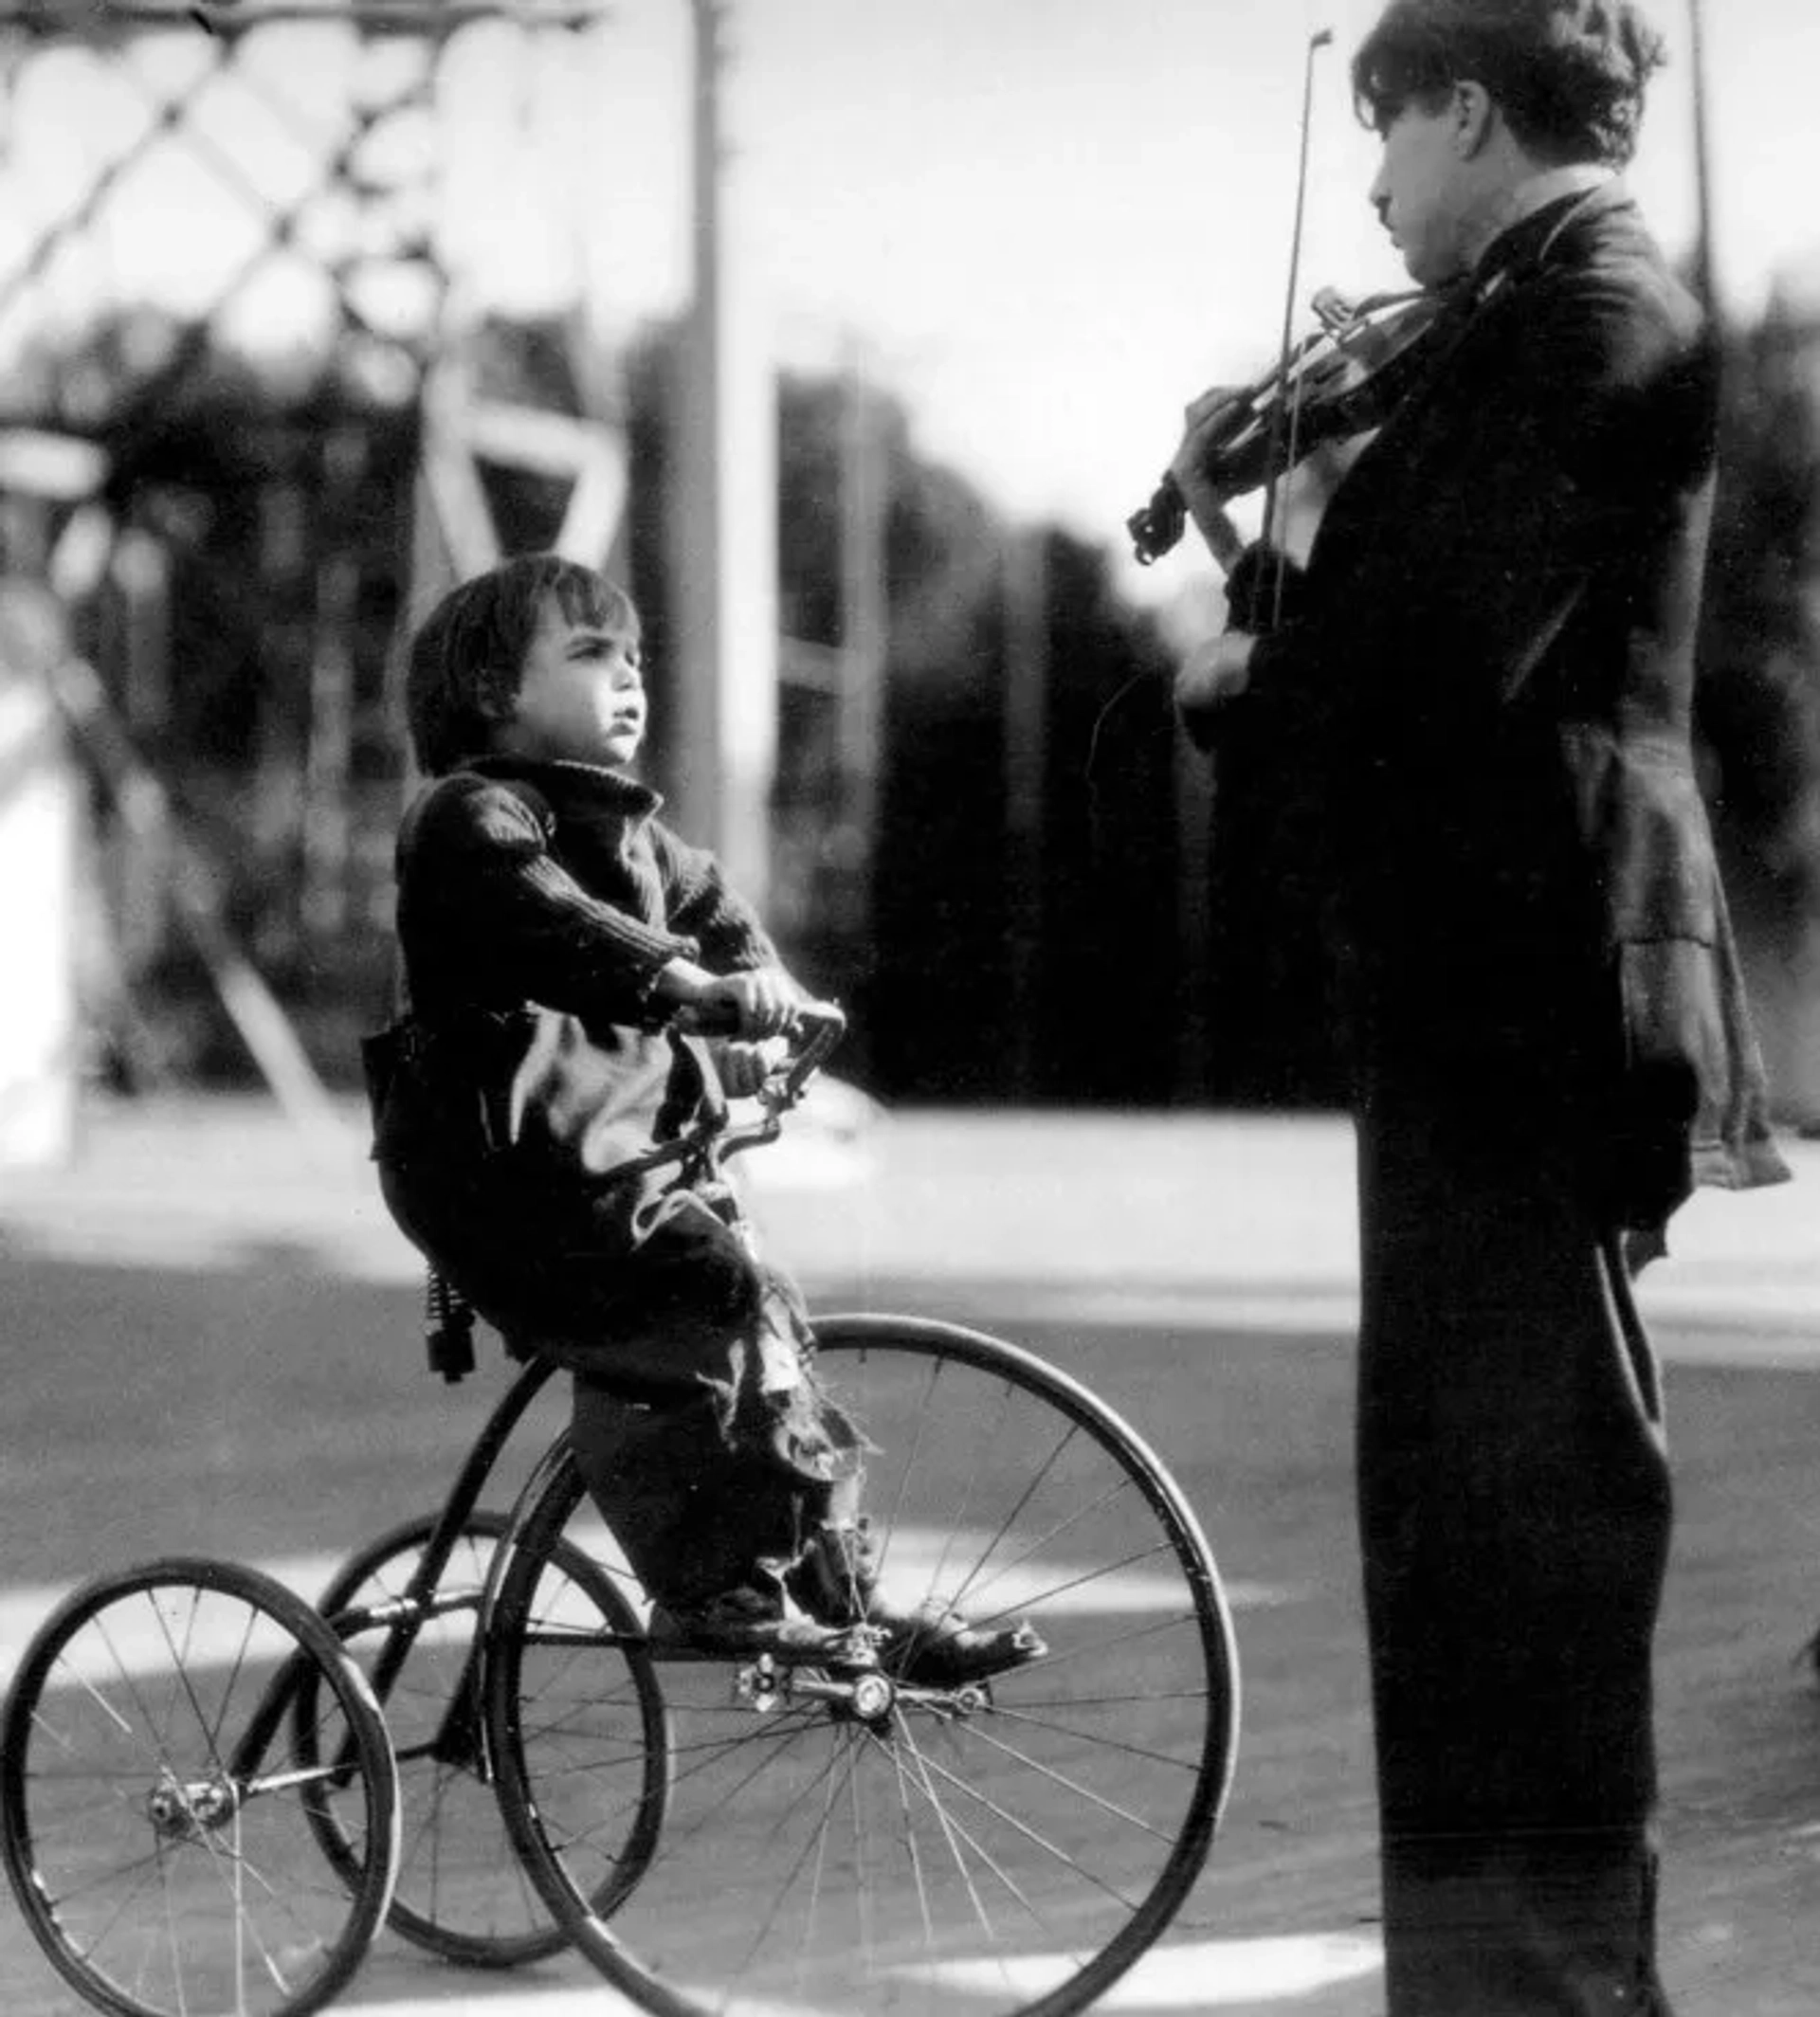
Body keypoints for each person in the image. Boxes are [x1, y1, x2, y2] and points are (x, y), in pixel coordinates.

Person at [1167, 3, 1790, 2011]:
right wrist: (1280, 547)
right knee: (1464, 1515)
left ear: (1462, 107)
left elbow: (1418, 658)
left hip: (1535, 985)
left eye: (1388, 138)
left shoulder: (1595, 316)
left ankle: (1549, 1989)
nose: (1366, 190)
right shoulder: (1535, 311)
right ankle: (1507, 1984)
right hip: (1491, 984)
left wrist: (1243, 620)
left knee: (1519, 1520)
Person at [365, 552, 1037, 1683]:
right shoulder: (466, 821)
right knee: (701, 1303)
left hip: (615, 1166)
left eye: (636, 658)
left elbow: (723, 922)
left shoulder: (640, 840)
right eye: (591, 656)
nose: (630, 679)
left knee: (769, 1322)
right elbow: (562, 928)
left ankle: (844, 1600)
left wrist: (774, 1005)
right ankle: (708, 1583)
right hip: (504, 1177)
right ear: (493, 692)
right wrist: (692, 989)